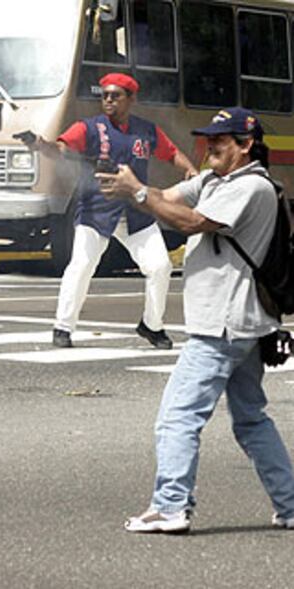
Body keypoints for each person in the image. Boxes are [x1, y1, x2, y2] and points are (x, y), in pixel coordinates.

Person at [97, 106, 294, 533]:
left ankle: (171, 506)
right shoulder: (215, 180)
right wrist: (128, 185)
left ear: (245, 146)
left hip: (222, 325)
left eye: (220, 141)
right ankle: (291, 505)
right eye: (208, 140)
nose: (209, 148)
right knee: (252, 419)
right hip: (239, 323)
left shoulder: (251, 188)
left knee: (177, 417)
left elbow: (190, 222)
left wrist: (137, 194)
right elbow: (167, 199)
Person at [21, 73, 197, 349]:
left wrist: (189, 169)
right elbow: (60, 148)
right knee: (82, 265)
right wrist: (41, 145)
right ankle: (63, 327)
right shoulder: (89, 128)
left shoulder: (146, 131)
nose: (108, 100)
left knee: (160, 267)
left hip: (137, 211)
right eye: (104, 95)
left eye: (115, 95)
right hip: (96, 210)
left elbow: (171, 152)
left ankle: (152, 325)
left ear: (131, 99)